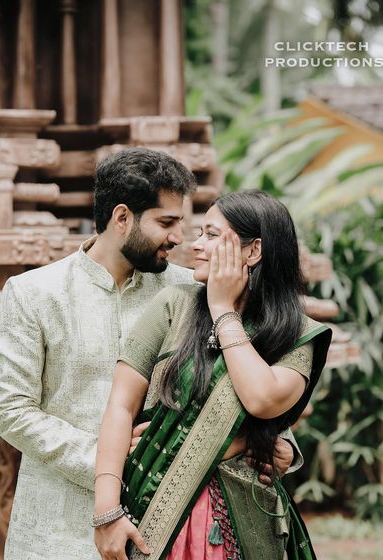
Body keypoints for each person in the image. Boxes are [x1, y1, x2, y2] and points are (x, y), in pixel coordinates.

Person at [0, 149, 296, 560]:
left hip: (164, 527)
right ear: (122, 218)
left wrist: (278, 441)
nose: (179, 239)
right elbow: (12, 410)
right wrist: (108, 454)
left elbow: (249, 367)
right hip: (54, 530)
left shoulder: (197, 292)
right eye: (166, 223)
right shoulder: (34, 294)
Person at [93, 191, 332, 560]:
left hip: (246, 521)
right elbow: (121, 407)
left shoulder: (297, 336)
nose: (196, 245)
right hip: (156, 514)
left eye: (211, 235)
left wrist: (223, 309)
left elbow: (261, 398)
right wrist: (107, 513)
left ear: (253, 252)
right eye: (199, 233)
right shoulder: (175, 305)